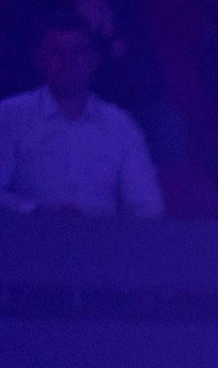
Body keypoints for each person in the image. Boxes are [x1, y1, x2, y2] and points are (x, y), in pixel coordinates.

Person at [2, 0, 176, 159]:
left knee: (164, 124)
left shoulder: (125, 1)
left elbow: (151, 82)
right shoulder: (29, 3)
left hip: (110, 103)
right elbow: (20, 76)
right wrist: (72, 23)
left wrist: (113, 38)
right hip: (48, 106)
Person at [0, 16, 162, 217]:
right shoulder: (10, 116)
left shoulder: (120, 125)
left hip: (104, 243)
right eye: (57, 52)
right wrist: (35, 211)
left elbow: (147, 207)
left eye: (78, 52)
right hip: (26, 240)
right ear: (40, 60)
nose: (68, 61)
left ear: (93, 61)